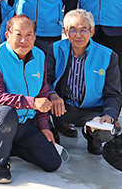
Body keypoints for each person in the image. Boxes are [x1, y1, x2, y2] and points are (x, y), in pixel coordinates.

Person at [0, 15, 61, 184]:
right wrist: (32, 103)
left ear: (35, 36)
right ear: (8, 35)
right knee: (6, 113)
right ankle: (1, 164)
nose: (24, 40)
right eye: (18, 34)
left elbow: (42, 94)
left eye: (29, 35)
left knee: (52, 162)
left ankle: (6, 144)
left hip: (23, 122)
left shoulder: (39, 57)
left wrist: (44, 126)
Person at [46, 9, 121, 154]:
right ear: (65, 31)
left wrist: (109, 115)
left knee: (104, 133)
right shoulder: (55, 49)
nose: (78, 35)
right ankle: (54, 130)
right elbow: (46, 80)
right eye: (73, 30)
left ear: (92, 31)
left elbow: (113, 94)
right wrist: (52, 93)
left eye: (84, 30)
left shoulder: (108, 56)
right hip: (62, 107)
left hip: (92, 110)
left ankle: (93, 139)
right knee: (38, 107)